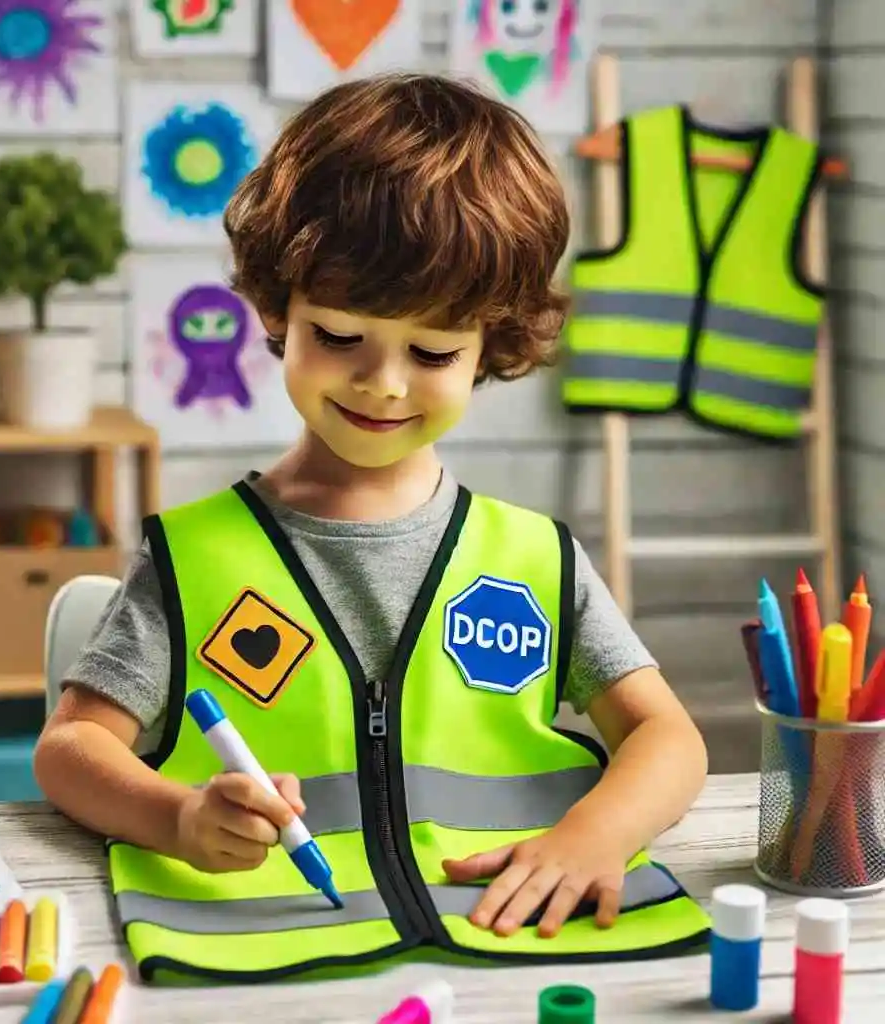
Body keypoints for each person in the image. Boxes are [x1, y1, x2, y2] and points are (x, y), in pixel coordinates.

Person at [34, 72, 709, 972]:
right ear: (279, 308)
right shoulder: (194, 557)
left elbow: (668, 737)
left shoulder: (534, 556)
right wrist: (180, 816)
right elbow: (72, 748)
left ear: (491, 347)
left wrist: (593, 836)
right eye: (340, 337)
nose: (383, 383)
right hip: (253, 972)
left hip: (538, 959)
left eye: (433, 351)